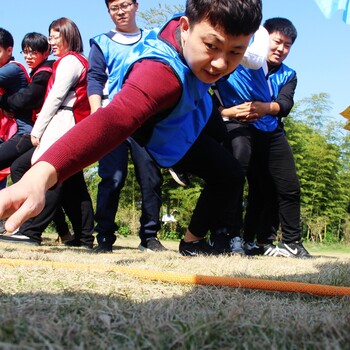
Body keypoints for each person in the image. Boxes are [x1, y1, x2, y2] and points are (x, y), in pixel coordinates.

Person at [0, 0, 262, 256]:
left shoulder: (202, 30)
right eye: (211, 46)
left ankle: (198, 239)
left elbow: (248, 55)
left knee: (230, 155)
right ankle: (168, 239)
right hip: (161, 126)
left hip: (197, 107)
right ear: (184, 27)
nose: (220, 63)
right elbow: (115, 119)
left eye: (235, 52)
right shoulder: (159, 75)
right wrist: (40, 177)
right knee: (227, 174)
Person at [215, 17, 312, 258]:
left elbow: (285, 104)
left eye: (288, 45)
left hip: (271, 130)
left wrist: (264, 108)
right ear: (261, 38)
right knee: (235, 177)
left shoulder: (288, 74)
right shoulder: (236, 60)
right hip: (238, 126)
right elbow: (207, 97)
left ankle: (285, 242)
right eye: (277, 42)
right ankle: (230, 237)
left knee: (285, 186)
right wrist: (228, 112)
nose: (281, 49)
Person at [0, 18, 95, 247]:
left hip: (64, 122)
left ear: (68, 35)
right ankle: (84, 237)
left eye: (55, 36)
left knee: (46, 174)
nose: (51, 41)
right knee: (71, 182)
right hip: (67, 123)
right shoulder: (65, 61)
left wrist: (39, 129)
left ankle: (31, 231)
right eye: (50, 36)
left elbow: (55, 98)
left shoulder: (70, 61)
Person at [88, 0, 165, 253]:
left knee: (151, 178)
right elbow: (96, 78)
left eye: (124, 5)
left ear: (136, 6)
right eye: (113, 8)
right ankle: (104, 238)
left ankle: (150, 236)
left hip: (145, 118)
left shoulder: (153, 39)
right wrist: (96, 114)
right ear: (108, 12)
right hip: (113, 117)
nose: (120, 11)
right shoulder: (101, 41)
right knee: (112, 177)